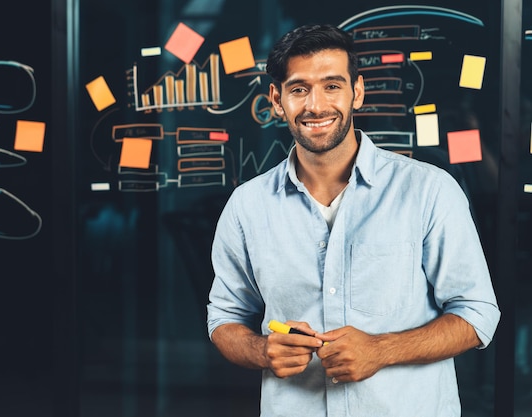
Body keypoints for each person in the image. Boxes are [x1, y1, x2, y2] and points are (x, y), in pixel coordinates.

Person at [206, 24, 500, 417]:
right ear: (277, 100)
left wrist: (381, 349)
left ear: (356, 92)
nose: (316, 105)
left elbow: (477, 314)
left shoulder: (429, 191)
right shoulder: (247, 206)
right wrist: (261, 350)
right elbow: (225, 318)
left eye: (332, 85)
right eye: (298, 89)